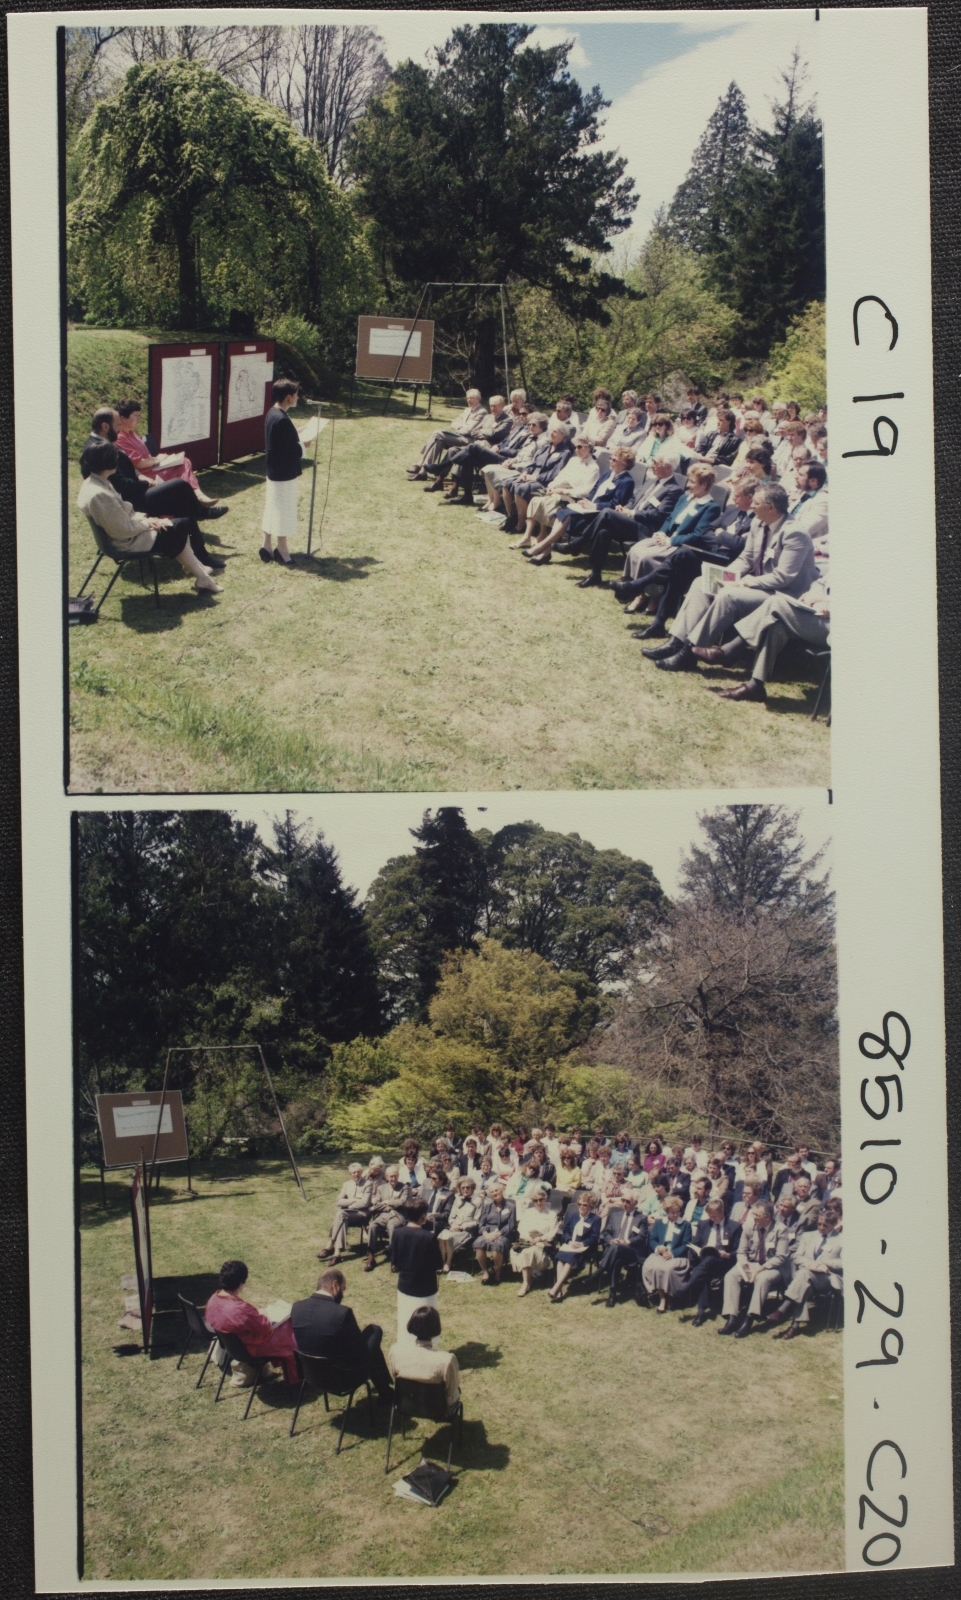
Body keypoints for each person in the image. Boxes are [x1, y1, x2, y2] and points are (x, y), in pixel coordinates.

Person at [643, 483, 817, 674]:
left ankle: (689, 653)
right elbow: (747, 558)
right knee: (702, 583)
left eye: (756, 503)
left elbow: (782, 577)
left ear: (771, 508)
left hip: (782, 594)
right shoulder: (759, 523)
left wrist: (741, 582)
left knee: (729, 595)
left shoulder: (794, 533)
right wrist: (725, 576)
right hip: (758, 584)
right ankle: (676, 641)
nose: (751, 507)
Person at [76, 441, 223, 595]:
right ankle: (201, 574)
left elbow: (123, 515)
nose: (118, 462)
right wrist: (148, 523)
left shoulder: (97, 481)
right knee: (179, 526)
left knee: (177, 526)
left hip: (127, 532)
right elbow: (121, 530)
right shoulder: (100, 494)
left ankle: (200, 573)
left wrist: (146, 519)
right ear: (107, 462)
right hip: (126, 542)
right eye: (115, 458)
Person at [82, 409, 228, 551]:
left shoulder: (100, 443)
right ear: (105, 426)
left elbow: (127, 471)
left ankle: (198, 548)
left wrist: (141, 476)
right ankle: (200, 522)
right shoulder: (99, 449)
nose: (120, 429)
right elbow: (122, 485)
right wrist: (145, 483)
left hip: (133, 493)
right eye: (118, 425)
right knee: (179, 487)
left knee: (180, 493)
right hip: (130, 502)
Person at [290, 1266, 393, 1400]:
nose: (343, 1295)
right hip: (340, 1379)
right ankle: (385, 1391)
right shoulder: (341, 1314)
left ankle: (385, 1390)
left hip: (310, 1375)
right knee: (374, 1331)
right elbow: (360, 1350)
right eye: (343, 1289)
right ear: (335, 1285)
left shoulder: (297, 1308)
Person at [204, 1258, 298, 1385]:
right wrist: (264, 1313)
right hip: (250, 1349)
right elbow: (265, 1327)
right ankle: (295, 1378)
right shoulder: (240, 1309)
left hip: (234, 1347)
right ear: (241, 1284)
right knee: (288, 1333)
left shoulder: (213, 1300)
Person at [113, 398, 218, 503]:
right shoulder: (121, 438)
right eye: (136, 416)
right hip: (146, 475)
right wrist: (157, 459)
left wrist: (160, 460)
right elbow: (138, 463)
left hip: (152, 468)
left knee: (184, 462)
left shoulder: (131, 433)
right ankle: (195, 496)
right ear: (123, 418)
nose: (139, 419)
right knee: (183, 464)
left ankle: (196, 495)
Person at [765, 1210, 843, 1339]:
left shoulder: (841, 1239)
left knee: (802, 1275)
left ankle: (782, 1310)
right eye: (819, 1224)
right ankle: (794, 1326)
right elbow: (796, 1256)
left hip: (828, 1278)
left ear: (834, 1225)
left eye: (825, 1225)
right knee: (804, 1283)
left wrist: (824, 1263)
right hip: (807, 1276)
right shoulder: (808, 1236)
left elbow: (844, 1262)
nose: (821, 1227)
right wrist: (813, 1265)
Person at [718, 1200, 791, 1338]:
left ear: (767, 1217)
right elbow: (741, 1251)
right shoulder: (749, 1226)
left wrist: (761, 1269)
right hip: (751, 1263)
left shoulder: (780, 1229)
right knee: (731, 1276)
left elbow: (781, 1257)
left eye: (757, 1215)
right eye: (753, 1214)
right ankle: (732, 1317)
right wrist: (745, 1267)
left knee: (762, 1279)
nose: (753, 1217)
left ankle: (749, 1319)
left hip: (771, 1266)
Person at [262, 378, 311, 567]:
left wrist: (295, 433)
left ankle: (266, 545)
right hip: (283, 473)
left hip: (274, 470)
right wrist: (303, 445)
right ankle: (282, 550)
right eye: (296, 394)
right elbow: (289, 450)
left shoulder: (273, 413)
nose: (298, 397)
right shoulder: (281, 419)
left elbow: (280, 440)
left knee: (272, 507)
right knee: (283, 510)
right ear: (289, 397)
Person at [390, 1199, 444, 1345]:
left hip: (405, 1285)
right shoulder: (429, 1237)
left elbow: (395, 1261)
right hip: (425, 1288)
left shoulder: (397, 1233)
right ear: (423, 1216)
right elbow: (438, 1264)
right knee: (426, 1322)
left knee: (406, 1319)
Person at [388, 1305, 461, 1410]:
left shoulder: (395, 1352)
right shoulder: (446, 1361)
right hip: (438, 1408)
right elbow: (451, 1390)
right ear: (436, 1327)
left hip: (406, 1404)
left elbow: (396, 1378)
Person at [684, 1200, 742, 1326]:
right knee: (705, 1268)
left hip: (723, 1262)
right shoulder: (704, 1224)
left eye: (714, 1216)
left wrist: (727, 1254)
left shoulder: (734, 1226)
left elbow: (738, 1251)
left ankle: (688, 1285)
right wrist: (697, 1252)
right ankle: (701, 1312)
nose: (712, 1218)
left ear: (722, 1212)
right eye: (710, 1216)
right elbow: (696, 1243)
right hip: (704, 1262)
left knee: (708, 1262)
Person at [407, 389, 488, 478]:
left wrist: (460, 427)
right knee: (438, 441)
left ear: (478, 399)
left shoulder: (482, 412)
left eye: (472, 398)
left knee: (437, 433)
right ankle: (423, 472)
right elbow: (453, 423)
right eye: (467, 398)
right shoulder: (467, 410)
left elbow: (468, 430)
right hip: (459, 437)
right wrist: (461, 426)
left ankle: (420, 464)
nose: (469, 400)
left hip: (469, 440)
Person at [597, 1191, 649, 1307]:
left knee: (617, 1247)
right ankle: (612, 1293)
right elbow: (607, 1232)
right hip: (616, 1252)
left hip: (631, 1252)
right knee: (616, 1261)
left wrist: (626, 1242)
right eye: (623, 1200)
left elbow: (642, 1237)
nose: (624, 1203)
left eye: (628, 1201)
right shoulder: (616, 1215)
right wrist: (612, 1240)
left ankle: (600, 1270)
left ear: (635, 1203)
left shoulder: (641, 1218)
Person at [640, 1196, 692, 1312]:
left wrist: (672, 1253)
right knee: (653, 1267)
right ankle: (662, 1299)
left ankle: (670, 1297)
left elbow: (686, 1244)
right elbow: (652, 1239)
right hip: (660, 1254)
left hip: (677, 1255)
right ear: (667, 1211)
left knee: (667, 1269)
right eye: (672, 1212)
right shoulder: (659, 1222)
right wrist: (658, 1248)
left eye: (677, 1212)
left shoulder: (685, 1225)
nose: (675, 1215)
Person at [549, 1192, 601, 1302]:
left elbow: (594, 1237)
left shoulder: (595, 1219)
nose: (581, 1207)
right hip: (570, 1245)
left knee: (569, 1259)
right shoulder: (573, 1216)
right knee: (560, 1259)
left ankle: (556, 1288)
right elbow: (566, 1231)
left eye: (585, 1205)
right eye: (580, 1204)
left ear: (591, 1206)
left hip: (584, 1248)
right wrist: (569, 1241)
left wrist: (582, 1244)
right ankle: (559, 1289)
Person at [318, 1162, 374, 1262]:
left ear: (361, 1172)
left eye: (358, 1172)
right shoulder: (346, 1184)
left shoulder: (368, 1184)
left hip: (362, 1215)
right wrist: (352, 1200)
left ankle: (330, 1244)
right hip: (347, 1215)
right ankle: (337, 1253)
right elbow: (338, 1201)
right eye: (354, 1172)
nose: (356, 1174)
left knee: (340, 1213)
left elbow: (365, 1203)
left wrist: (348, 1205)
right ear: (350, 1174)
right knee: (342, 1219)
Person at [509, 1186, 560, 1296]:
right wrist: (528, 1238)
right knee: (518, 1251)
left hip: (543, 1240)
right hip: (528, 1239)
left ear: (545, 1199)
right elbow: (521, 1228)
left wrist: (539, 1239)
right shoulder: (528, 1212)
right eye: (535, 1201)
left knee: (528, 1252)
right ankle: (527, 1282)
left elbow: (552, 1232)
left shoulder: (552, 1214)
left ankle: (526, 1283)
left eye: (541, 1200)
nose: (538, 1202)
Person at [363, 1165, 412, 1269]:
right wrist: (390, 1208)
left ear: (398, 1176)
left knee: (392, 1225)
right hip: (385, 1215)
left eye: (395, 1176)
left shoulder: (404, 1187)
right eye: (391, 1176)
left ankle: (394, 1259)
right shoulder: (381, 1188)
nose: (393, 1179)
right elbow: (376, 1204)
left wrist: (387, 1202)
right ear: (386, 1177)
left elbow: (402, 1202)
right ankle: (371, 1257)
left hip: (399, 1216)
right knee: (372, 1225)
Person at [473, 1182, 516, 1284]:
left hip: (503, 1234)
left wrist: (498, 1234)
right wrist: (485, 1234)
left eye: (496, 1190)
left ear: (502, 1191)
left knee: (497, 1245)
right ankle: (485, 1272)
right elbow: (481, 1224)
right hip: (488, 1233)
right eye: (492, 1192)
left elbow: (511, 1225)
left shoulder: (510, 1206)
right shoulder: (487, 1206)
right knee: (478, 1243)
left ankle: (497, 1271)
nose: (494, 1193)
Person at [437, 1178, 481, 1271]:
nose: (465, 1190)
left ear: (472, 1188)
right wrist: (453, 1224)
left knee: (449, 1238)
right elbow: (451, 1216)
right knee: (441, 1236)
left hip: (467, 1230)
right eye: (463, 1188)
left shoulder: (478, 1201)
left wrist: (461, 1227)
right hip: (454, 1227)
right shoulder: (457, 1199)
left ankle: (448, 1262)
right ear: (460, 1189)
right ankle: (442, 1262)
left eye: (468, 1187)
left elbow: (477, 1221)